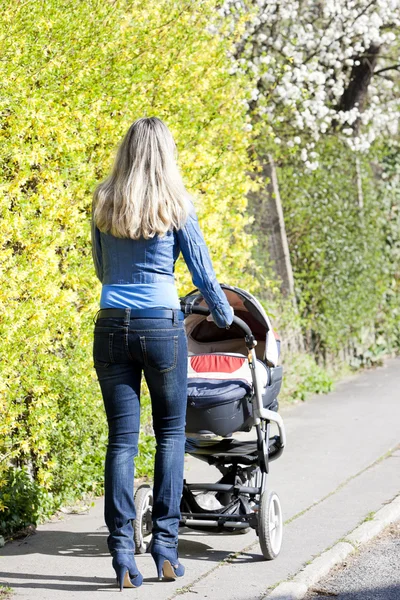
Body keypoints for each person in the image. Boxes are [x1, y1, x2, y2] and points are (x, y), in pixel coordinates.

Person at [90, 116, 234, 590]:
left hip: (111, 325)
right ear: (167, 154)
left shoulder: (104, 202)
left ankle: (121, 556)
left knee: (121, 441)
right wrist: (225, 317)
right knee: (171, 435)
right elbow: (203, 273)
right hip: (162, 327)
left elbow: (100, 269)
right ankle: (166, 551)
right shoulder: (177, 206)